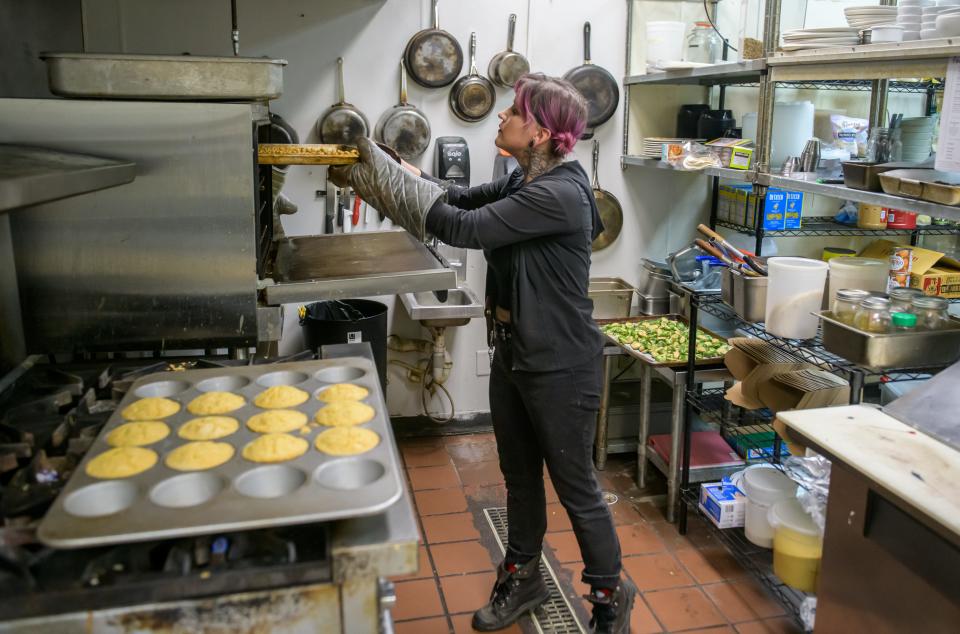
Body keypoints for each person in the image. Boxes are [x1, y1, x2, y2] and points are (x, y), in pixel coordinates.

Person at [330, 73, 635, 634]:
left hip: (561, 365)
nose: (501, 118)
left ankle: (610, 600)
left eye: (513, 112)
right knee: (519, 478)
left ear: (540, 131)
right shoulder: (525, 179)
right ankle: (523, 577)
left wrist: (375, 182)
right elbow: (458, 196)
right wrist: (393, 167)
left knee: (577, 490)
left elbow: (460, 227)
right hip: (515, 356)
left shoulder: (559, 193)